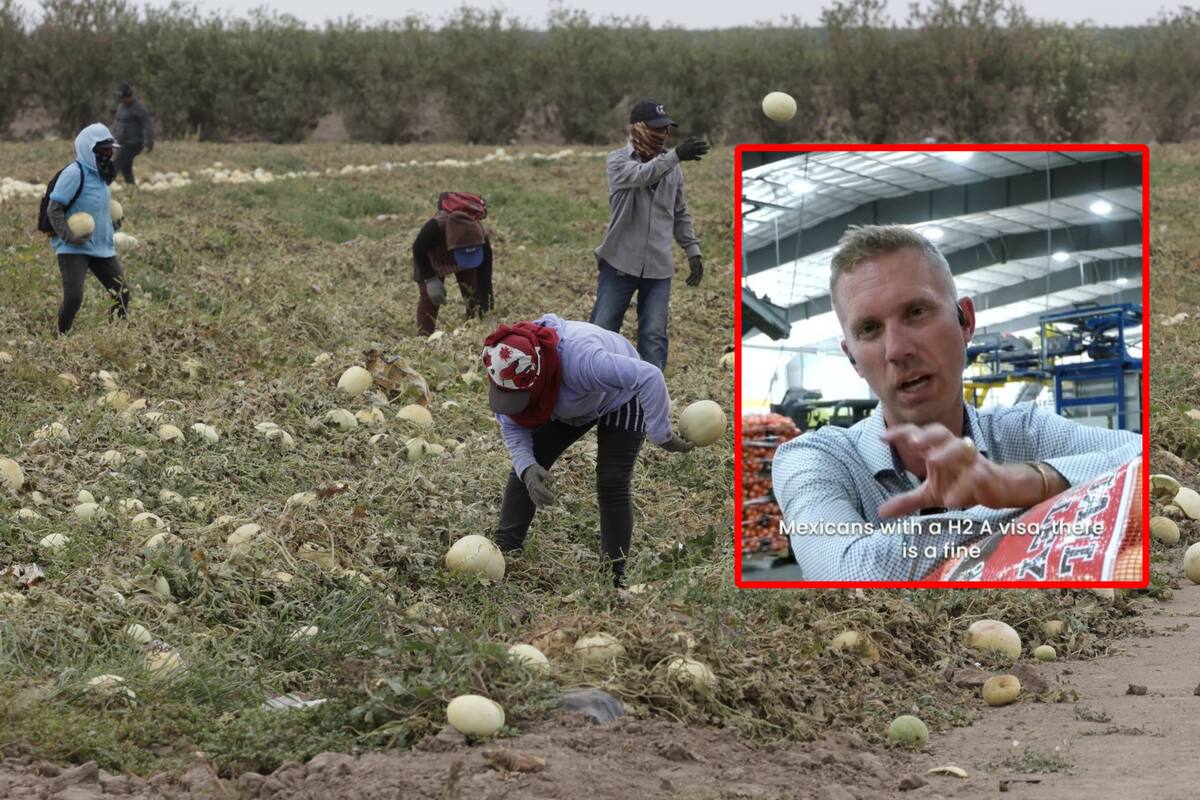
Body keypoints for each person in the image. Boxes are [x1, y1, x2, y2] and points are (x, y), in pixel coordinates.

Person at [771, 225, 1141, 581]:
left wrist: (1029, 480)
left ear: (966, 321)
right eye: (869, 330)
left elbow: (1148, 461)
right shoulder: (814, 461)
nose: (898, 350)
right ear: (852, 357)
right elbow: (849, 571)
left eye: (916, 312)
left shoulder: (1025, 432)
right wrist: (1037, 507)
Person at [484, 314, 695, 587]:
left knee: (612, 480)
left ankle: (613, 575)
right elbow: (512, 424)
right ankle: (505, 550)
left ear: (539, 376)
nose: (514, 404)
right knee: (530, 466)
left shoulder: (583, 360)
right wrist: (526, 468)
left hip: (621, 396)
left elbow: (649, 376)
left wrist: (661, 434)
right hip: (567, 405)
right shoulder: (504, 365)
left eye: (520, 398)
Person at [589, 98, 710, 371]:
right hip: (619, 263)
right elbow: (642, 175)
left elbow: (680, 213)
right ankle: (591, 381)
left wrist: (693, 251)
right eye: (656, 129)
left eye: (666, 129)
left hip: (658, 268)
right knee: (603, 329)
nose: (662, 135)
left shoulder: (672, 168)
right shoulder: (618, 161)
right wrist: (676, 155)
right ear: (638, 129)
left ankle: (651, 392)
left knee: (654, 336)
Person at [45, 123, 130, 336]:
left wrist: (112, 224)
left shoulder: (101, 175)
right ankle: (60, 338)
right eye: (103, 150)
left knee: (122, 294)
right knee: (74, 298)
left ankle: (115, 336)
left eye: (110, 149)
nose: (108, 154)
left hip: (102, 248)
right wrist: (68, 236)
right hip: (74, 248)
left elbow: (97, 210)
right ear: (88, 149)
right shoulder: (74, 173)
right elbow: (54, 208)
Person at [411, 208, 493, 336]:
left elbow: (485, 280)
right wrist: (430, 279)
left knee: (473, 292)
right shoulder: (434, 228)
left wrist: (487, 312)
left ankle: (474, 329)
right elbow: (418, 250)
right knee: (430, 298)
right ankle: (423, 338)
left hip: (467, 254)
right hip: (434, 257)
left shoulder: (481, 237)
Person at [112, 81, 154, 186]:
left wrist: (150, 141)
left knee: (116, 164)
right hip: (122, 142)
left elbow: (148, 124)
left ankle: (100, 188)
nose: (121, 101)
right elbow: (118, 123)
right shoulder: (121, 107)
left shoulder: (139, 108)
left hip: (133, 143)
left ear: (129, 96)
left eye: (123, 98)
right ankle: (132, 187)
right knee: (126, 169)